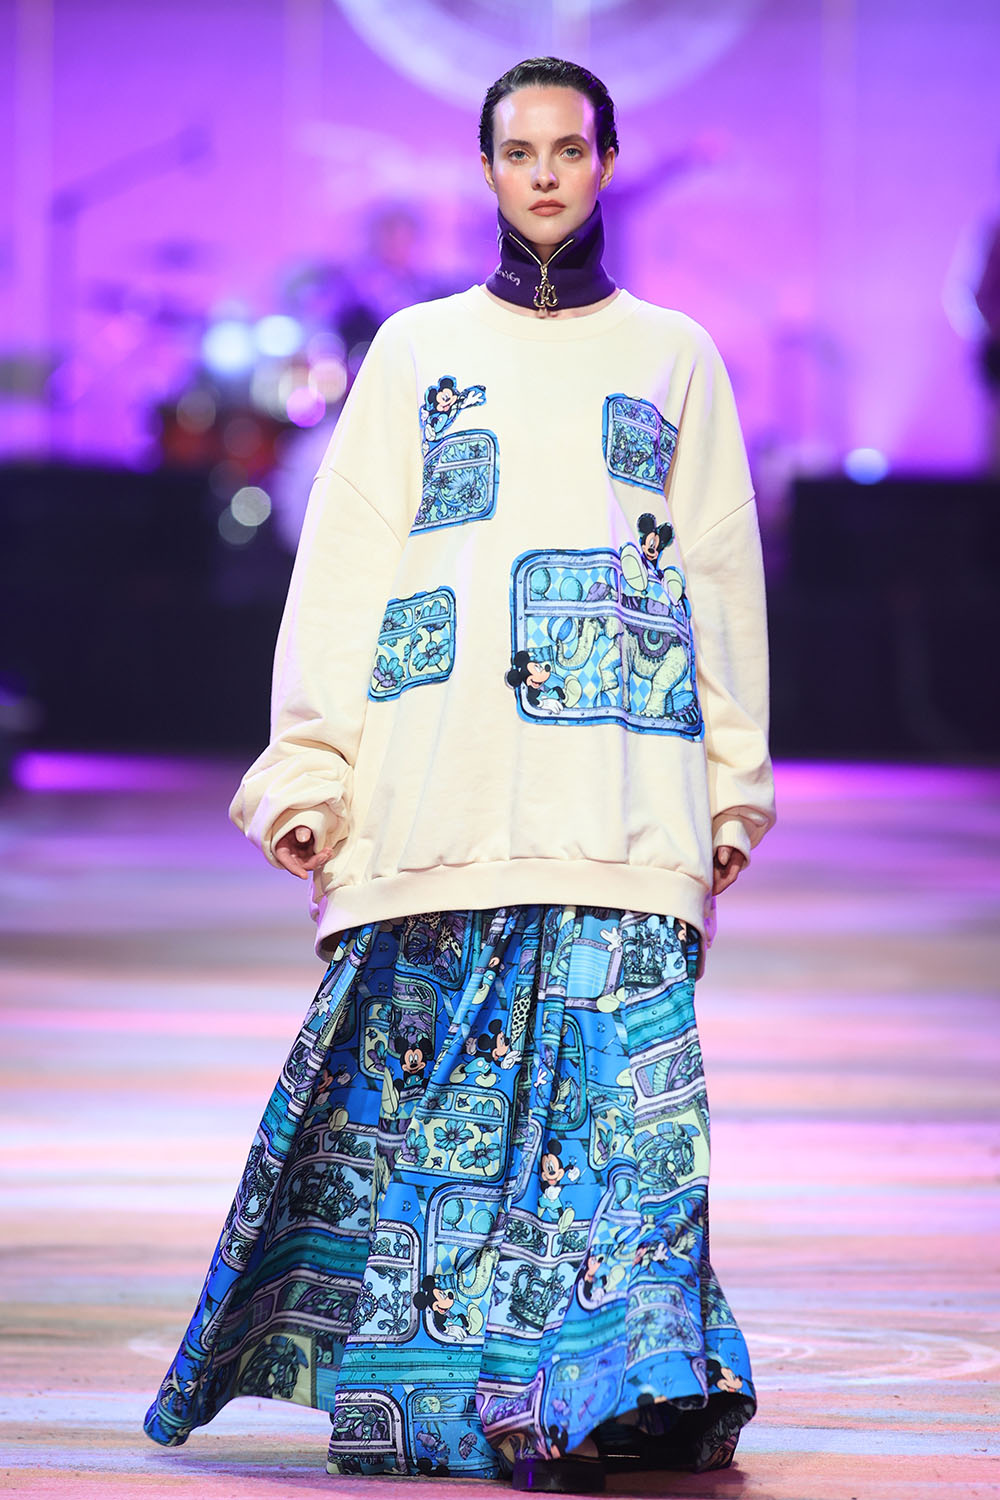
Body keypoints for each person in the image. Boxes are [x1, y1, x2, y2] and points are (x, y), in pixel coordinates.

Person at [143, 56, 775, 1493]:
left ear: (606, 163)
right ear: (486, 171)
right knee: (442, 1129)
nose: (545, 173)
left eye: (570, 148)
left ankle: (620, 1385)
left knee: (634, 1120)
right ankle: (479, 1405)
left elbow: (718, 574)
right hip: (442, 786)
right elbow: (349, 565)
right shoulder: (418, 351)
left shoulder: (675, 354)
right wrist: (310, 768)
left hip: (624, 786)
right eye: (519, 151)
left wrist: (730, 785)